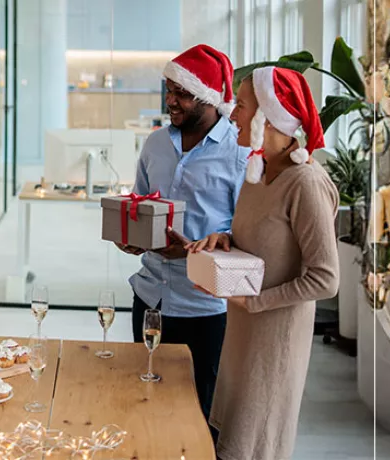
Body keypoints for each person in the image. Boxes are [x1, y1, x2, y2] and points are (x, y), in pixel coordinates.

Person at [188, 66, 340, 460]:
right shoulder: (259, 171)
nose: (232, 114)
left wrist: (254, 301)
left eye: (240, 105)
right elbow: (264, 243)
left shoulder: (306, 184)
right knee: (227, 444)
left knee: (252, 449)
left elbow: (325, 279)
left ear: (269, 117)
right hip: (240, 338)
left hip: (273, 349)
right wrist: (227, 239)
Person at [115, 44, 249, 420]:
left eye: (183, 94)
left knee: (201, 413)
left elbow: (248, 236)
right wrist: (131, 233)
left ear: (209, 99)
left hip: (205, 309)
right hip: (149, 299)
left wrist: (195, 251)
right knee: (144, 403)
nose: (171, 100)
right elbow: (142, 203)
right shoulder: (156, 143)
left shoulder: (240, 152)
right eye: (169, 89)